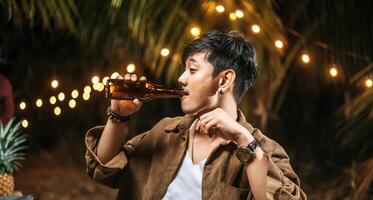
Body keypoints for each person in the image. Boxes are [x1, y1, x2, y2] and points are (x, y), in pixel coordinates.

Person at [85, 31, 307, 200]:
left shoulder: (264, 150)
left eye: (192, 70)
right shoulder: (165, 131)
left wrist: (245, 142)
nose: (181, 79)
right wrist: (118, 116)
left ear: (224, 80)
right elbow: (104, 171)